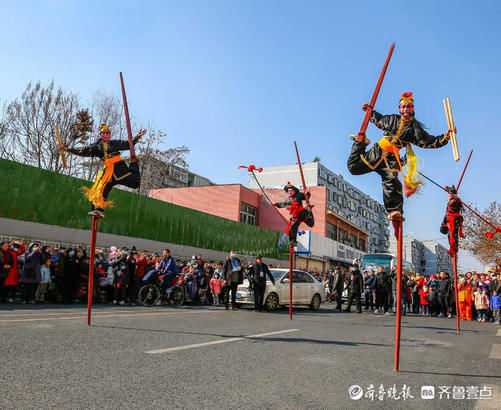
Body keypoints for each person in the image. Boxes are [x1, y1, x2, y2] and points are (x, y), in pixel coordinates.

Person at [347, 92, 453, 220]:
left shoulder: (415, 129)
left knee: (392, 182)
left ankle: (395, 210)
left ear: (412, 109)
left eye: (408, 106)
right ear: (399, 109)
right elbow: (379, 120)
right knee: (353, 168)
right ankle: (361, 143)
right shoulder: (392, 119)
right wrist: (369, 111)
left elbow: (428, 141)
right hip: (377, 152)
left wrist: (446, 137)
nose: (406, 109)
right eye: (403, 107)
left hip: (391, 160)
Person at [61, 124, 146, 217]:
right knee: (100, 188)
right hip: (108, 171)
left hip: (120, 168)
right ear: (101, 135)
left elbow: (129, 144)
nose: (106, 135)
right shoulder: (96, 147)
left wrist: (137, 137)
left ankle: (134, 164)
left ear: (110, 134)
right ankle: (98, 209)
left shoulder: (116, 143)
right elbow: (83, 150)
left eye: (107, 133)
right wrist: (67, 150)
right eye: (103, 133)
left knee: (134, 183)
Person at [440, 185, 465, 255]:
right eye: (448, 193)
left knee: (452, 234)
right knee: (445, 231)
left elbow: (455, 206)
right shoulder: (452, 200)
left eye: (449, 194)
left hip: (454, 220)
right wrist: (448, 190)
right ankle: (453, 248)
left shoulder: (454, 202)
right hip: (448, 218)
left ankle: (453, 249)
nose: (448, 195)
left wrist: (455, 198)